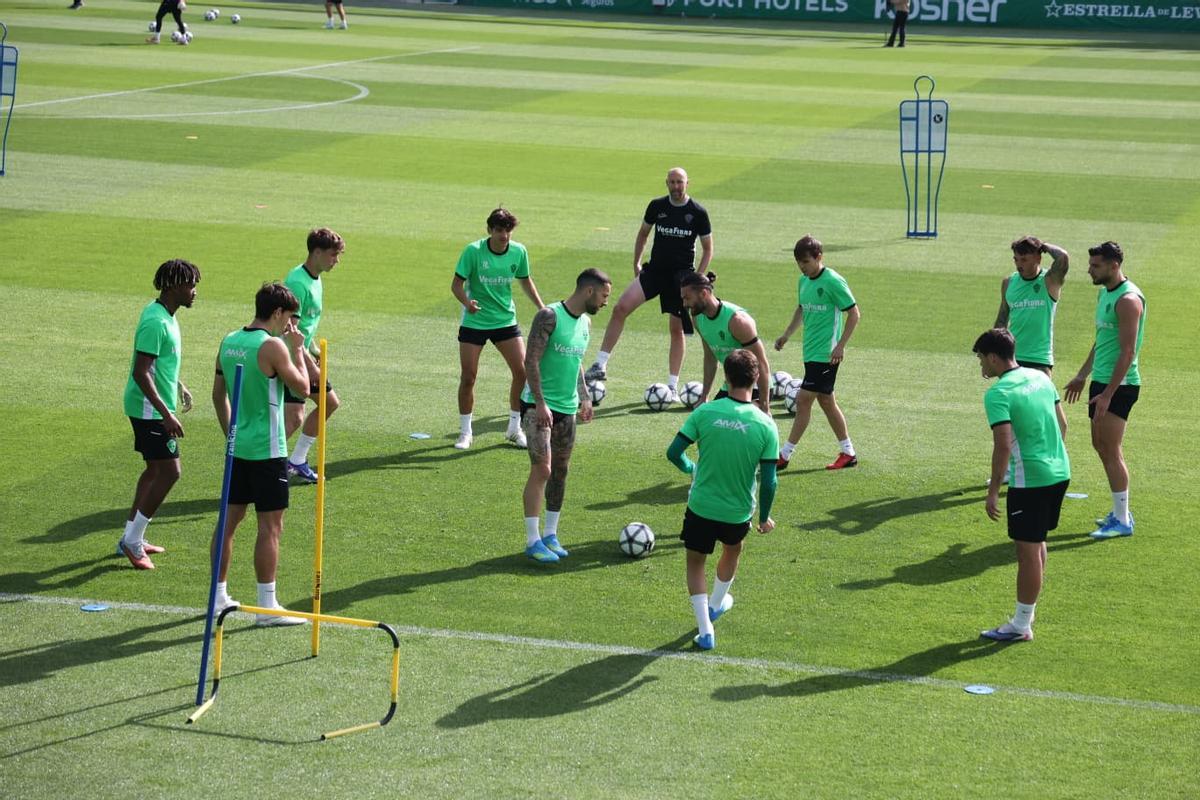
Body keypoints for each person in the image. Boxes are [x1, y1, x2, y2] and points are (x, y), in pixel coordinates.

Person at [211, 282, 314, 625]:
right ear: (276, 313)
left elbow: (217, 394)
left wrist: (231, 435)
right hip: (269, 450)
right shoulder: (273, 346)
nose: (291, 326)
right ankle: (266, 606)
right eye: (288, 318)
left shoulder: (229, 340)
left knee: (228, 522)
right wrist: (297, 349)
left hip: (237, 449)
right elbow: (303, 387)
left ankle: (217, 597)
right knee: (271, 527)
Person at [666, 349, 778, 651]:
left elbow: (673, 453)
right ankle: (716, 603)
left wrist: (692, 469)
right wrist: (764, 517)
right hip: (737, 513)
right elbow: (769, 480)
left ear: (726, 379)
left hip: (700, 506)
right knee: (733, 551)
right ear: (756, 380)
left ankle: (705, 630)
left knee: (695, 562)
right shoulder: (766, 425)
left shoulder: (705, 412)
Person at [585, 168, 713, 402]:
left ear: (687, 183)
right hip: (654, 271)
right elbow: (643, 234)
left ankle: (672, 386)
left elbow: (708, 248)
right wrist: (636, 261)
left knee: (676, 330)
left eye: (680, 182)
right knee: (620, 308)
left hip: (681, 278)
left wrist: (697, 279)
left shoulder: (697, 212)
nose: (676, 186)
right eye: (672, 182)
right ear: (666, 183)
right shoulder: (657, 206)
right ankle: (600, 364)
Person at [975, 329, 1070, 642]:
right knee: (1037, 542)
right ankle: (1027, 613)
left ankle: (1021, 624)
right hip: (1059, 471)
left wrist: (992, 493)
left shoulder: (998, 393)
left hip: (1030, 481)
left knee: (1027, 553)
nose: (981, 367)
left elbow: (1002, 446)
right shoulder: (1040, 377)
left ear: (993, 357)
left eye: (981, 360)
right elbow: (1063, 425)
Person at [520, 269, 611, 563]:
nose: (606, 302)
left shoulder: (585, 323)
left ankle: (550, 534)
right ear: (589, 291)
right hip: (538, 406)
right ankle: (532, 540)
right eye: (604, 295)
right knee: (542, 469)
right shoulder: (549, 316)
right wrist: (541, 402)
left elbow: (576, 362)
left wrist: (585, 397)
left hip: (567, 408)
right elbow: (530, 360)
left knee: (561, 470)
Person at [119, 259, 201, 570]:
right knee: (170, 472)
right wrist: (166, 413)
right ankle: (132, 541)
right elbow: (141, 372)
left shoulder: (165, 316)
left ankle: (131, 535)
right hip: (148, 409)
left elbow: (158, 363)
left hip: (154, 406)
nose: (194, 292)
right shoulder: (156, 321)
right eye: (190, 285)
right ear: (172, 286)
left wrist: (178, 384)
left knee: (154, 471)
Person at [1064, 241, 1146, 540]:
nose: (1089, 270)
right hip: (1102, 381)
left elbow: (1127, 352)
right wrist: (1082, 375)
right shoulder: (1105, 294)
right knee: (1100, 445)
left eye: (1095, 265)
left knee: (1111, 449)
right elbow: (1102, 342)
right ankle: (1120, 510)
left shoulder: (1128, 300)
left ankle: (1122, 520)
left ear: (1114, 265)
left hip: (1120, 385)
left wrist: (1109, 394)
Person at [452, 208, 545, 450]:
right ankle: (465, 432)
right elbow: (456, 285)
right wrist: (466, 302)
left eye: (508, 231)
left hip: (505, 321)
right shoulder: (473, 252)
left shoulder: (518, 251)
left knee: (523, 372)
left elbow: (525, 280)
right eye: (499, 230)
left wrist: (542, 308)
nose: (504, 235)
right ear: (489, 230)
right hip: (475, 322)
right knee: (469, 377)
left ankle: (514, 429)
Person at [773, 235, 861, 470]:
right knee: (826, 401)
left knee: (803, 401)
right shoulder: (803, 282)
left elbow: (854, 314)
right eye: (799, 263)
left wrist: (840, 345)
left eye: (806, 262)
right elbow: (801, 309)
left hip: (827, 354)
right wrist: (786, 334)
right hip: (810, 352)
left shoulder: (833, 281)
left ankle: (785, 454)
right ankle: (848, 452)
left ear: (818, 257)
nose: (802, 267)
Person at [282, 227, 344, 483]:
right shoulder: (298, 281)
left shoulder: (315, 278)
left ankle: (288, 462)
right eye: (332, 255)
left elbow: (304, 326)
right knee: (329, 403)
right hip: (291, 356)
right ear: (316, 252)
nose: (336, 261)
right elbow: (290, 328)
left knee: (294, 417)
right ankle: (270, 462)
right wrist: (309, 363)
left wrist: (314, 349)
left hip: (299, 353)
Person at [678, 271, 772, 413]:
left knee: (735, 425)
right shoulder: (698, 319)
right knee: (708, 421)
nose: (685, 304)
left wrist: (765, 406)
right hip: (731, 385)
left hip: (753, 385)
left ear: (703, 293)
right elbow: (710, 357)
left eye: (687, 298)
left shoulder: (738, 321)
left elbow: (762, 364)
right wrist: (704, 396)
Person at [994, 236, 1070, 375]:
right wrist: (995, 353)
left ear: (1038, 259)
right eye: (1016, 259)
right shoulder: (1008, 283)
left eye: (1024, 259)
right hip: (1012, 358)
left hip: (1039, 359)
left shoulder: (1050, 280)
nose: (1019, 264)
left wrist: (1044, 246)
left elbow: (1063, 257)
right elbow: (1002, 319)